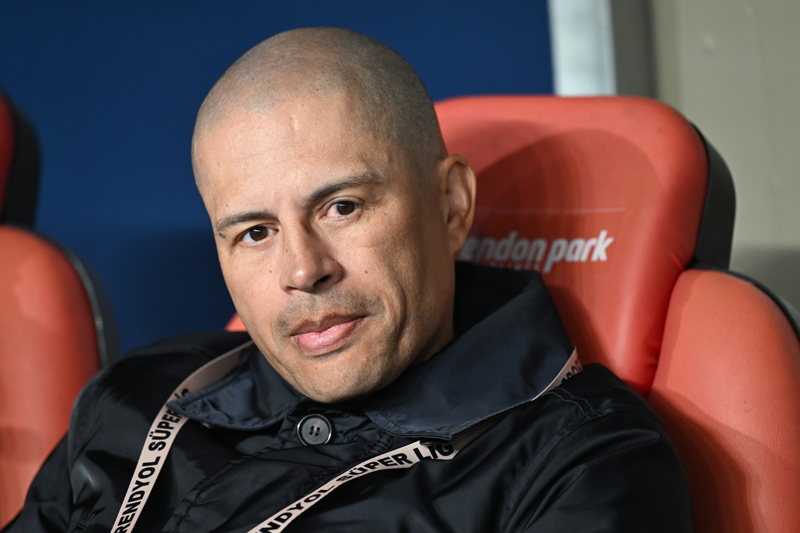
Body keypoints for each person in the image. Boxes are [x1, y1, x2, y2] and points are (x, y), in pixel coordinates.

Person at [4, 28, 692, 533]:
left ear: (451, 205)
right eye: (255, 232)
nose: (303, 270)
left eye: (342, 207)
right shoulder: (135, 396)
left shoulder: (581, 463)